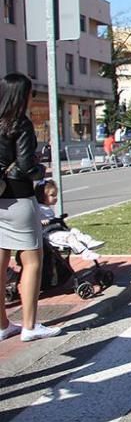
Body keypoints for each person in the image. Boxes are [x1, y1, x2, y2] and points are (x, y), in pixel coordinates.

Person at [0, 73, 60, 342]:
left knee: (0, 263)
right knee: (33, 260)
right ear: (22, 95)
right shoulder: (19, 124)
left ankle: (2, 325)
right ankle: (30, 325)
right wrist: (40, 169)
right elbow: (26, 167)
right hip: (18, 199)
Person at [36, 181, 104, 260]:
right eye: (52, 195)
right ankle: (84, 252)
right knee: (69, 236)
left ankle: (89, 242)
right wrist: (41, 221)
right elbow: (34, 218)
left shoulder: (46, 207)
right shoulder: (38, 208)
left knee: (75, 231)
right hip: (48, 235)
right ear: (42, 196)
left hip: (56, 230)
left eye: (56, 195)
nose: (55, 198)